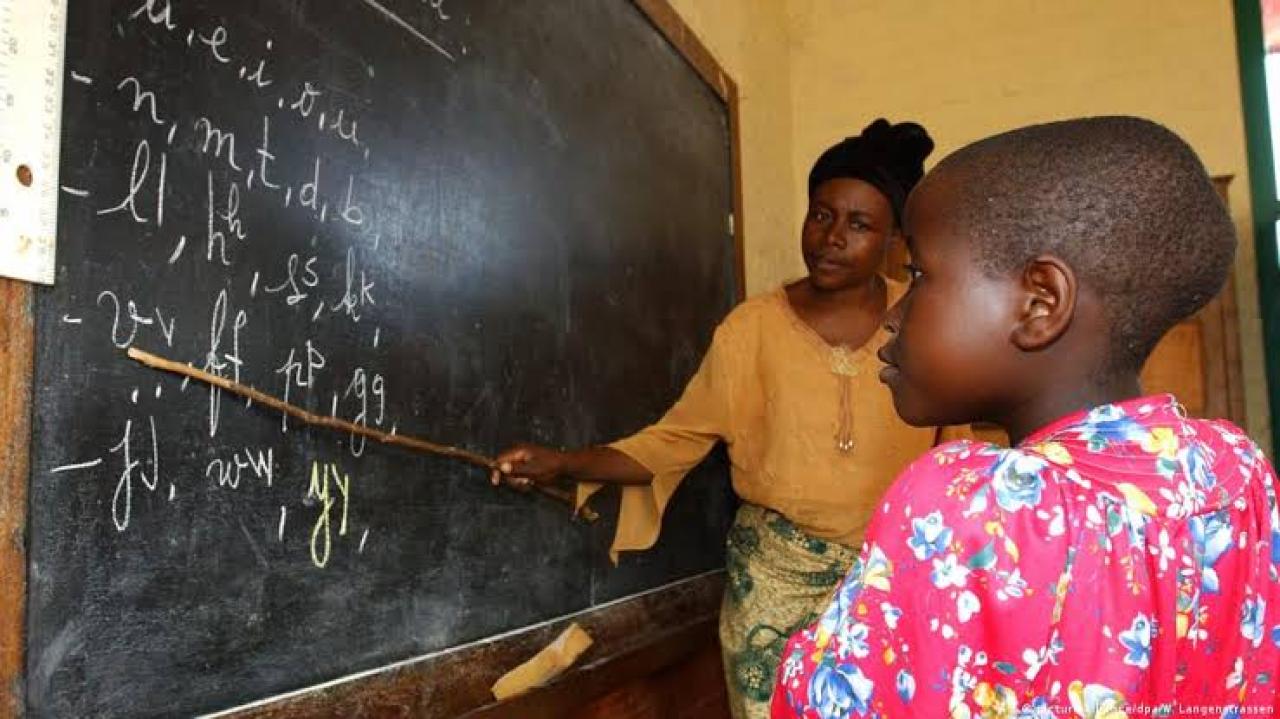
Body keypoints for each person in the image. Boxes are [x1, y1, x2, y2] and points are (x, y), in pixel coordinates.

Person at [771, 116, 1280, 718]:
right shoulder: (1238, 471)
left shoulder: (966, 504)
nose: (894, 314)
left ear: (1040, 302)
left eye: (918, 275)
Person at [491, 119, 941, 719]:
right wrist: (567, 461)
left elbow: (952, 459)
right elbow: (674, 440)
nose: (832, 237)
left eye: (860, 224)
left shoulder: (925, 321)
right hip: (771, 585)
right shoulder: (750, 330)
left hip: (888, 581)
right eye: (821, 215)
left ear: (894, 239)